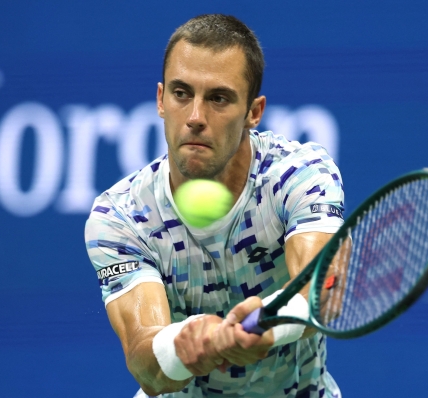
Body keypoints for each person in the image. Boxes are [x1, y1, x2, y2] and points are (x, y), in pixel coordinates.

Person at [85, 14, 345, 397]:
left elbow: (323, 289)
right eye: (181, 93)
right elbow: (145, 361)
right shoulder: (122, 216)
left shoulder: (298, 175)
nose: (195, 117)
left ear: (253, 112)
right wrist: (186, 345)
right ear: (160, 100)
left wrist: (263, 324)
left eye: (218, 98)